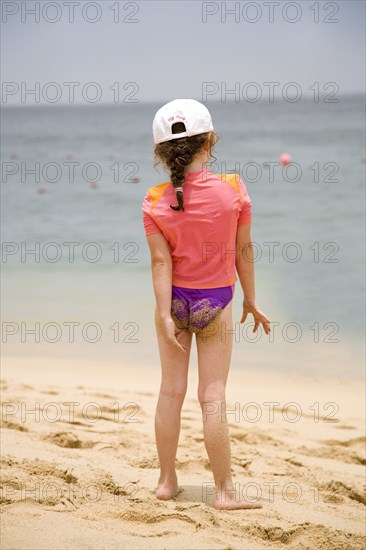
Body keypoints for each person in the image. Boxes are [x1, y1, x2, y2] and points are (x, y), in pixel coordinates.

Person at [141, 99, 271, 511]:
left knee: (170, 392)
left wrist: (164, 314)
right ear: (210, 141)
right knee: (212, 395)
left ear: (162, 152)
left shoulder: (154, 198)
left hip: (174, 303)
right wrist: (250, 299)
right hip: (216, 302)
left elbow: (161, 261)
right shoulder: (233, 187)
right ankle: (225, 491)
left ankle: (166, 481)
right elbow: (243, 250)